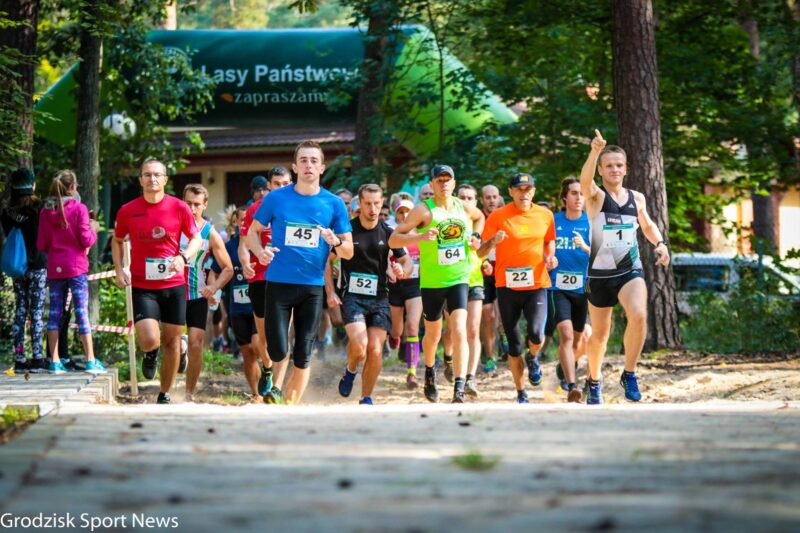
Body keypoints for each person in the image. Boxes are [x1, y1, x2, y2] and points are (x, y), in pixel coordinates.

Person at [247, 141, 353, 405]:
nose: (308, 165)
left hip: (312, 286)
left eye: (314, 160)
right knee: (277, 349)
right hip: (279, 284)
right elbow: (251, 234)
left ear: (322, 167)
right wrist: (260, 252)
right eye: (303, 160)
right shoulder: (275, 198)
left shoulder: (334, 203)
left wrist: (336, 242)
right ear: (295, 167)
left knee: (304, 351)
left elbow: (349, 251)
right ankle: (274, 379)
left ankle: (290, 406)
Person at [579, 130, 670, 404]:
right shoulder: (595, 197)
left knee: (639, 314)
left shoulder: (636, 198)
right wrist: (595, 151)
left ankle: (629, 373)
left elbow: (647, 224)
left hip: (630, 269)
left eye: (619, 165)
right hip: (599, 274)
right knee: (600, 336)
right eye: (609, 165)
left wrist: (660, 243)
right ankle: (594, 380)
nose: (614, 169)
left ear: (626, 168)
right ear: (602, 170)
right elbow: (584, 181)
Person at [389, 164, 484, 403]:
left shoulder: (464, 208)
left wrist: (476, 236)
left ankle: (459, 387)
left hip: (459, 278)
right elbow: (394, 238)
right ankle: (430, 372)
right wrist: (419, 237)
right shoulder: (423, 210)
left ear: (453, 183)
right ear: (431, 184)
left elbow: (481, 216)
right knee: (433, 334)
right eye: (439, 180)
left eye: (447, 180)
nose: (444, 184)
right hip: (431, 281)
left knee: (459, 329)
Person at [112, 159, 202, 404]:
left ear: (165, 179)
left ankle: (165, 393)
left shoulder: (179, 207)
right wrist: (119, 269)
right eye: (147, 175)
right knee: (150, 339)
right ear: (140, 179)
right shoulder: (128, 210)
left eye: (157, 175)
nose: (152, 179)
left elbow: (196, 239)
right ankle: (150, 353)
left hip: (173, 285)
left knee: (172, 341)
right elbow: (117, 240)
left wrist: (184, 257)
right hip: (143, 285)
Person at [479, 173, 556, 404]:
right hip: (507, 286)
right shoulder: (498, 216)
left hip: (537, 284)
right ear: (510, 192)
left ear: (534, 191)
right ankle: (521, 392)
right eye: (519, 189)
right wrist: (493, 241)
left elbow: (549, 240)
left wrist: (550, 257)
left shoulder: (545, 214)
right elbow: (480, 251)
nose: (524, 193)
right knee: (513, 345)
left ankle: (533, 358)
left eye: (528, 189)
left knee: (536, 333)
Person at [331, 184, 411, 404]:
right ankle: (351, 369)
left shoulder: (388, 232)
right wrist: (330, 291)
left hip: (379, 298)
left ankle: (366, 397)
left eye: (377, 203)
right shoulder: (347, 230)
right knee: (359, 345)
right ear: (359, 203)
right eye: (368, 203)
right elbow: (327, 261)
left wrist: (402, 269)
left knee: (375, 350)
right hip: (352, 296)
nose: (373, 208)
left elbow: (406, 260)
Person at [37, 170, 105, 374]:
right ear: (74, 187)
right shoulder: (79, 208)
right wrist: (94, 229)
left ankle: (55, 361)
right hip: (76, 267)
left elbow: (41, 244)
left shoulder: (45, 211)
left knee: (55, 313)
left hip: (55, 268)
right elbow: (86, 240)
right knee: (81, 312)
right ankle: (91, 360)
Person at [239, 166, 293, 397]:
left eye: (285, 183)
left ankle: (278, 388)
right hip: (261, 277)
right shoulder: (256, 209)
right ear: (269, 186)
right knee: (264, 335)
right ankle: (268, 369)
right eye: (276, 183)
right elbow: (244, 243)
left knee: (282, 334)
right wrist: (245, 264)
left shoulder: (298, 206)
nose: (281, 187)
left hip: (290, 278)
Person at [181, 184, 233, 401]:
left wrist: (214, 287)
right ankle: (178, 350)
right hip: (170, 292)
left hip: (196, 294)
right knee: (171, 342)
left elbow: (228, 268)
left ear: (205, 205)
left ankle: (189, 393)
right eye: (188, 203)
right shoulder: (171, 225)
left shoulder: (209, 233)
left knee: (196, 342)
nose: (192, 208)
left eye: (197, 204)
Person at [544, 177, 591, 403]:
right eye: (574, 193)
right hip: (557, 286)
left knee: (578, 339)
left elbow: (602, 254)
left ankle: (565, 366)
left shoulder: (591, 222)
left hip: (583, 288)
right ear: (564, 197)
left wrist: (584, 246)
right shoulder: (554, 221)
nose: (578, 197)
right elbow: (543, 247)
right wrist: (547, 260)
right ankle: (572, 386)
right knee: (566, 333)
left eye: (581, 194)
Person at [211, 206, 261, 398]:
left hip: (259, 307)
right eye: (239, 220)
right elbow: (216, 270)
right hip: (237, 308)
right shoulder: (228, 248)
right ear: (234, 224)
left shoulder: (263, 244)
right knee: (247, 352)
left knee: (259, 346)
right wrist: (213, 290)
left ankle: (269, 379)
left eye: (246, 219)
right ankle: (256, 394)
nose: (243, 223)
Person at [2, 168, 48, 373]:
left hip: (18, 267)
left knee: (20, 310)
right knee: (36, 312)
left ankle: (19, 357)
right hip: (38, 265)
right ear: (33, 186)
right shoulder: (40, 208)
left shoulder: (7, 212)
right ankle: (37, 357)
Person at [387, 195, 423, 389]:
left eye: (408, 211)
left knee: (412, 327)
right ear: (396, 214)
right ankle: (393, 337)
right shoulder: (392, 234)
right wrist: (388, 269)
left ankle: (412, 373)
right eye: (401, 212)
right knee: (397, 330)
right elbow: (383, 256)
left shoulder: (421, 234)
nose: (404, 215)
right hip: (395, 286)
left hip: (414, 286)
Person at [479, 184, 503, 373]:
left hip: (504, 271)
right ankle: (490, 357)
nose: (491, 200)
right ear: (482, 200)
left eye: (494, 197)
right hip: (483, 272)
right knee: (488, 315)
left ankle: (504, 340)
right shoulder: (477, 219)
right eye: (488, 197)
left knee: (502, 316)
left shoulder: (506, 216)